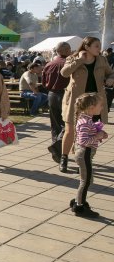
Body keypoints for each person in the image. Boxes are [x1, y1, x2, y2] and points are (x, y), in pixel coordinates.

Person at [59, 37, 114, 173]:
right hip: (76, 102)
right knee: (70, 131)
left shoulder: (101, 59)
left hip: (94, 104)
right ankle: (64, 158)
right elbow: (64, 73)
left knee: (90, 132)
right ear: (87, 47)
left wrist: (111, 78)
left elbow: (110, 72)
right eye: (96, 46)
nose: (99, 49)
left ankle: (85, 160)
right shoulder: (73, 57)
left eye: (99, 46)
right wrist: (79, 60)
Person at [70, 93, 106, 218]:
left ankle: (79, 200)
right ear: (91, 107)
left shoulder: (87, 119)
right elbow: (83, 141)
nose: (102, 108)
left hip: (85, 154)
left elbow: (86, 136)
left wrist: (99, 132)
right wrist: (98, 136)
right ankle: (79, 206)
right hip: (84, 154)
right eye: (100, 105)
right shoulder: (85, 122)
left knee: (87, 180)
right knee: (85, 181)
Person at [42, 42, 71, 163]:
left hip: (52, 95)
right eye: (69, 48)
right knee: (69, 123)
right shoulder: (68, 63)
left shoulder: (49, 64)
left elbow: (43, 82)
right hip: (65, 95)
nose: (71, 50)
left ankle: (57, 150)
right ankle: (57, 146)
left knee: (55, 124)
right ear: (64, 50)